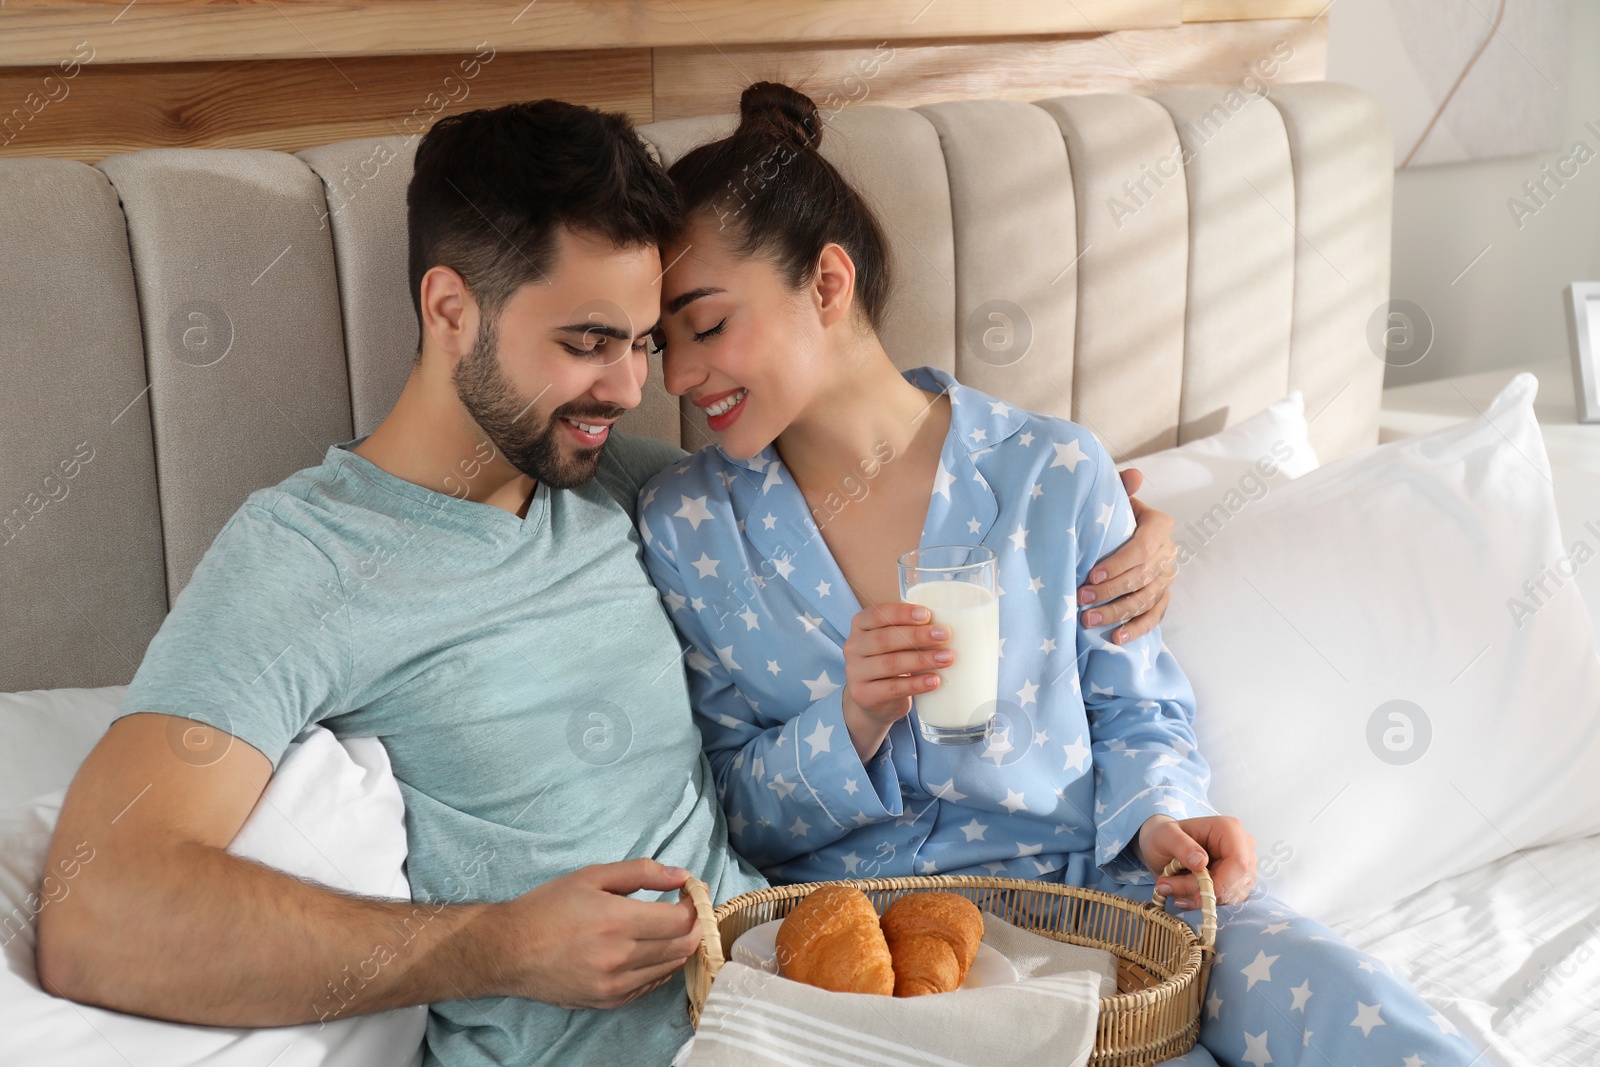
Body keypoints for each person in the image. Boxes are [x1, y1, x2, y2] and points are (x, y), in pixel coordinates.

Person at [32, 98, 1179, 1066]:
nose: (635, 386)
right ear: (449, 310)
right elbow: (99, 910)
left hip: (791, 1011)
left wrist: (1128, 527)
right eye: (589, 342)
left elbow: (895, 494)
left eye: (645, 340)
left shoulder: (633, 488)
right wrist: (493, 945)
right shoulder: (307, 557)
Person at [638, 82, 1485, 1067]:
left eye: (703, 327)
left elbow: (1135, 708)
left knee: (1346, 1006)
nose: (676, 380)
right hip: (872, 968)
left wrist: (1166, 819)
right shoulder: (688, 527)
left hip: (1101, 903)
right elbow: (734, 804)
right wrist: (851, 720)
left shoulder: (1053, 471)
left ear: (827, 284)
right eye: (660, 345)